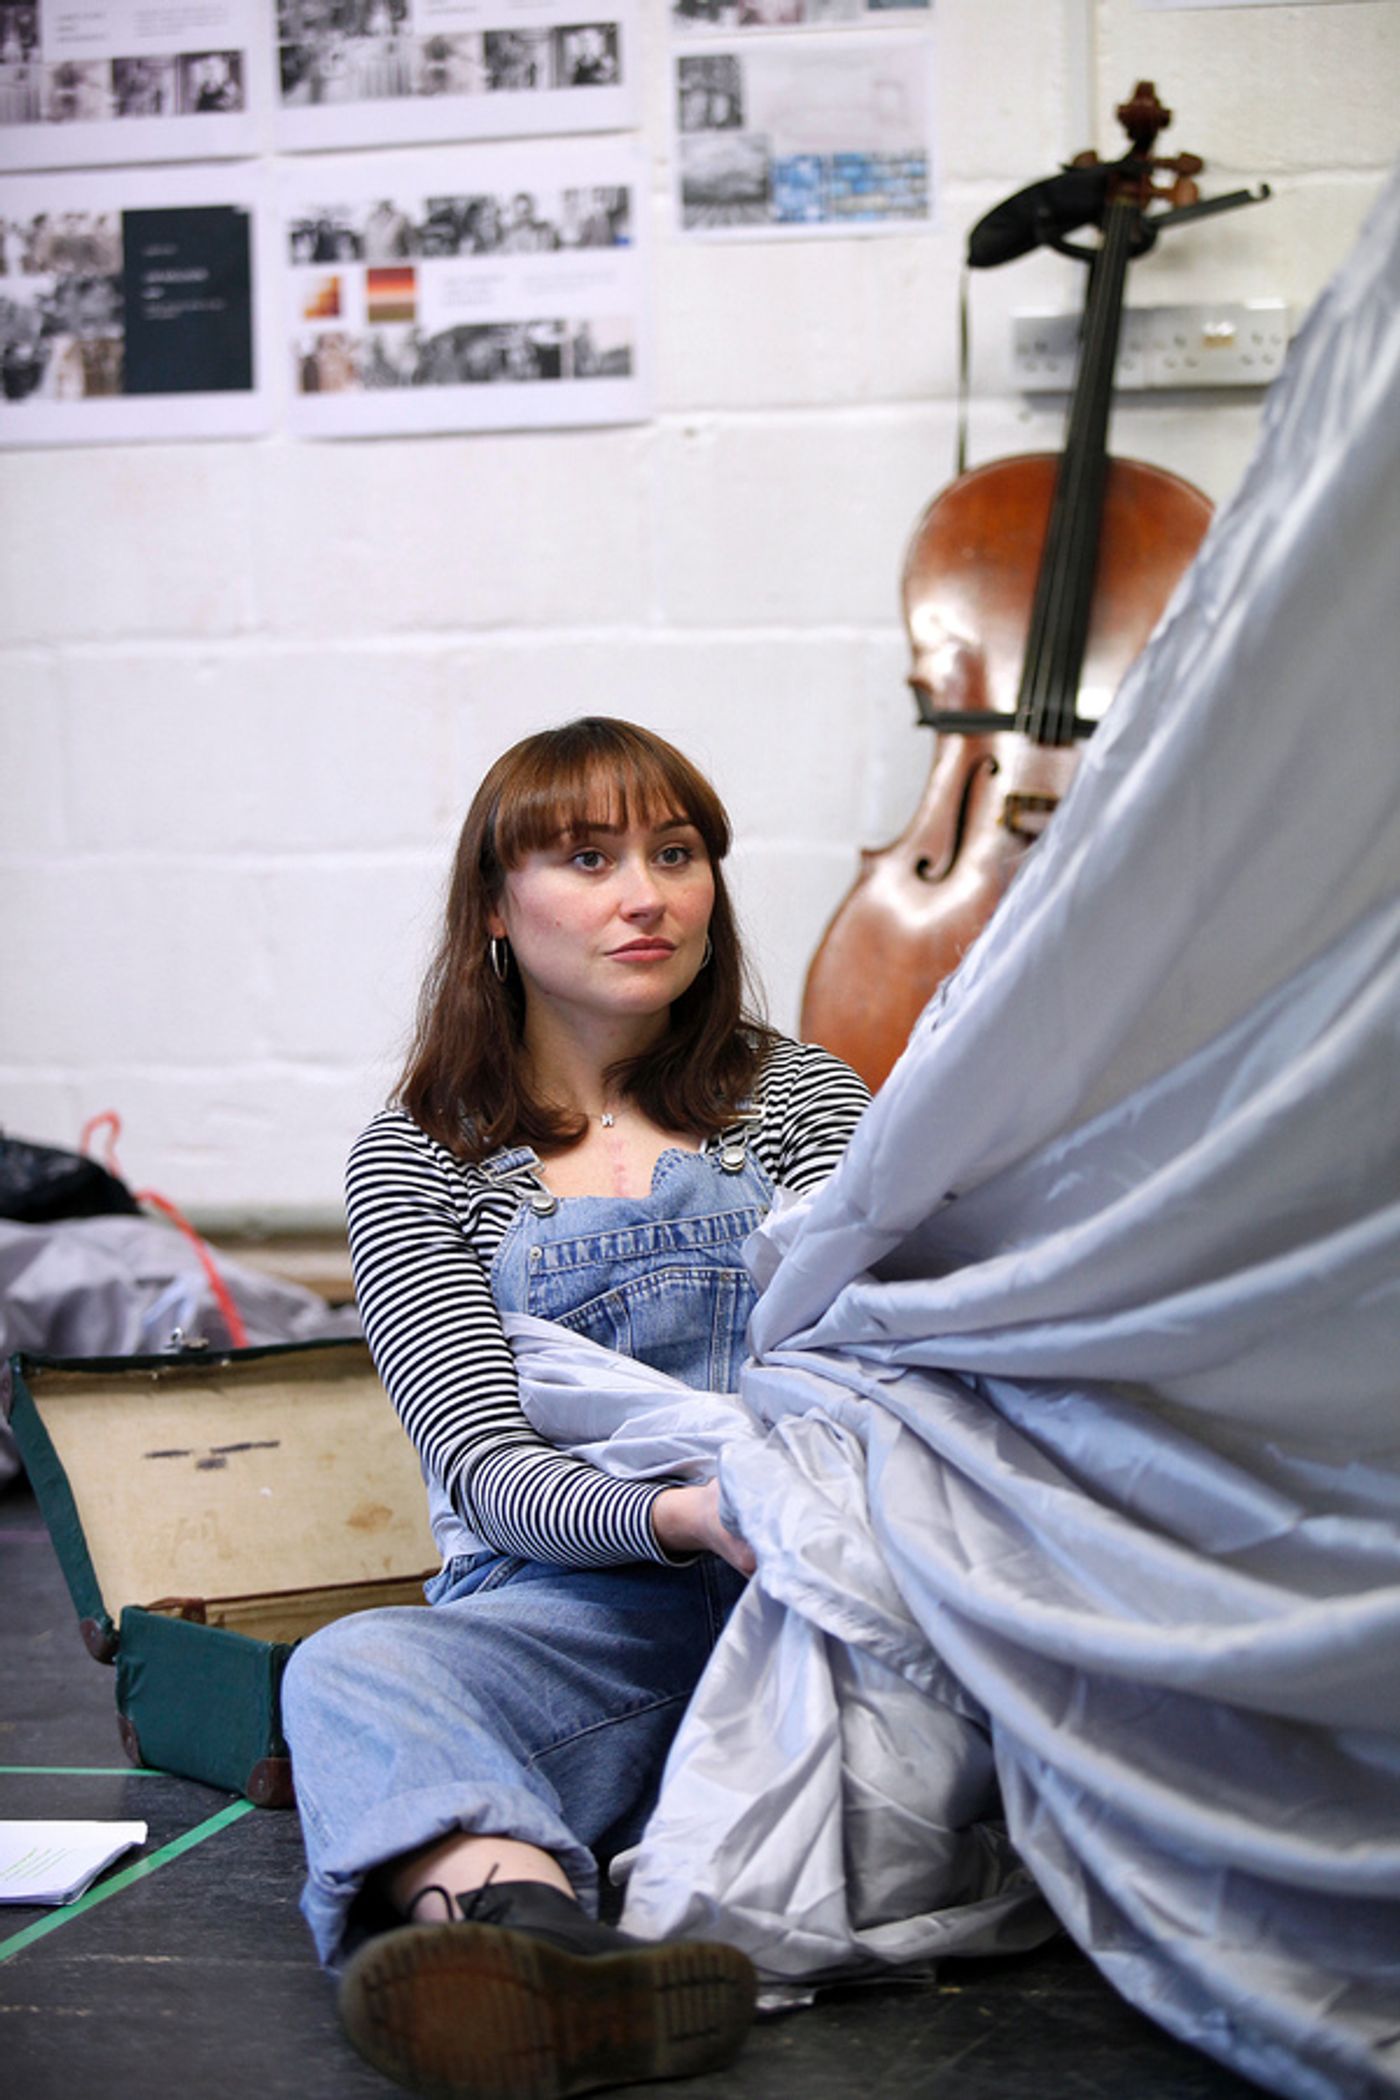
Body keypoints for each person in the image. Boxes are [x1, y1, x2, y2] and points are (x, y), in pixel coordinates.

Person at [281, 717, 871, 2099]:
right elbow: (487, 1466)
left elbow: (888, 1354)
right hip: (584, 1615)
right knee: (353, 1668)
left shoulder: (797, 1101)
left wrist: (786, 1516)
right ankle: (536, 1943)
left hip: (818, 1579)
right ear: (495, 905)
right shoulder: (422, 1157)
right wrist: (685, 1515)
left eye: (676, 854)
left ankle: (552, 1922)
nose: (645, 895)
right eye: (589, 858)